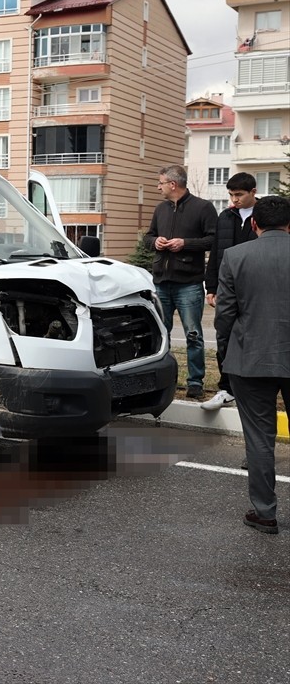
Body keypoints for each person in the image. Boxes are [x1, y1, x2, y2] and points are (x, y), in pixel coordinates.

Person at [213, 195, 290, 535]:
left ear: (254, 223)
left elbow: (224, 315)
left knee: (259, 438)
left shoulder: (235, 256)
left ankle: (265, 512)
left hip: (250, 358)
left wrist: (227, 347)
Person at [143, 164, 217, 399]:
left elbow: (213, 240)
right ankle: (161, 380)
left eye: (161, 183)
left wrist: (185, 243)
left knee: (193, 335)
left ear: (173, 184)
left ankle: (195, 382)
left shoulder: (203, 208)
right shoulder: (160, 209)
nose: (158, 187)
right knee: (160, 334)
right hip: (161, 282)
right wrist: (155, 242)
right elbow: (148, 237)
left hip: (189, 284)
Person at [203, 172, 260, 411]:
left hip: (255, 289)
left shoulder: (264, 215)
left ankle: (252, 389)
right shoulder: (225, 216)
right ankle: (226, 388)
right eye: (231, 195)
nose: (234, 199)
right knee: (224, 337)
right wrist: (211, 287)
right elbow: (216, 253)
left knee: (253, 339)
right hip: (226, 288)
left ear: (253, 192)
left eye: (239, 194)